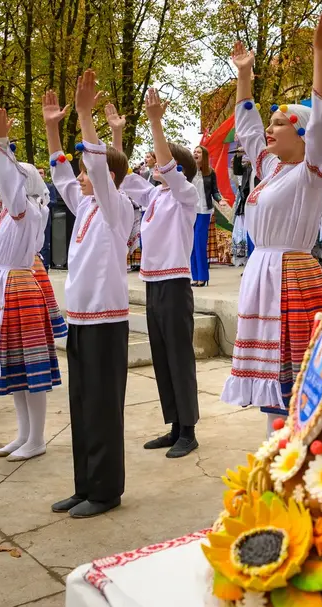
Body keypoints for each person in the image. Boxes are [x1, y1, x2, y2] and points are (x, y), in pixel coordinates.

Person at [221, 4, 322, 431]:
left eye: (279, 123)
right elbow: (246, 129)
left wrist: (321, 52)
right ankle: (276, 450)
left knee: (297, 371)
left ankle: (301, 451)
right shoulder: (269, 169)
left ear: (302, 133)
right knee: (271, 371)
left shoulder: (311, 170)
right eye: (271, 123)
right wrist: (244, 76)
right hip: (264, 273)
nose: (269, 130)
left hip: (291, 275)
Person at [44, 72, 133, 519]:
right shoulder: (87, 207)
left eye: (89, 172)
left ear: (108, 176)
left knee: (101, 406)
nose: (80, 178)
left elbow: (96, 165)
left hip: (106, 319)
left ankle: (106, 490)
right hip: (79, 319)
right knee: (82, 405)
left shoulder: (119, 209)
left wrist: (84, 117)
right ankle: (84, 485)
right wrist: (52, 127)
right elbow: (62, 173)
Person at [0, 109, 63, 461]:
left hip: (19, 291)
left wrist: (2, 144)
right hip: (6, 289)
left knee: (30, 363)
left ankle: (36, 437)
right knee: (14, 364)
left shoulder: (26, 211)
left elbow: (6, 183)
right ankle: (23, 434)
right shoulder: (8, 215)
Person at [116, 91, 202, 458]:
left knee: (179, 356)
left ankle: (189, 430)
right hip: (152, 284)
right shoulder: (155, 198)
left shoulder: (186, 196)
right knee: (162, 357)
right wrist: (117, 136)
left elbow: (168, 168)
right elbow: (119, 178)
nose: (152, 164)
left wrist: (156, 123)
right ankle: (173, 425)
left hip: (175, 283)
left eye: (161, 161)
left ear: (177, 168)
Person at [191, 145, 221, 287]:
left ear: (204, 156)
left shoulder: (210, 172)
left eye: (198, 152)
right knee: (191, 244)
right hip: (190, 211)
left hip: (204, 211)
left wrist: (220, 200)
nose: (195, 154)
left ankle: (203, 276)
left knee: (199, 242)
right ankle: (195, 276)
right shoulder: (187, 172)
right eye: (194, 152)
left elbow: (215, 191)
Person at [230, 152, 255, 267]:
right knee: (249, 234)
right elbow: (237, 170)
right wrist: (238, 155)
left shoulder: (266, 166)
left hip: (264, 204)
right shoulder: (248, 168)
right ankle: (251, 264)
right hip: (249, 204)